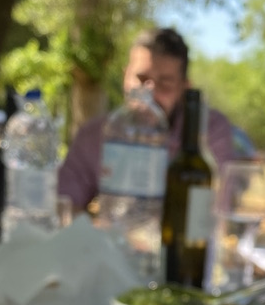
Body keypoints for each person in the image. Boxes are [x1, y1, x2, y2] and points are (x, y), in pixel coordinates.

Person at [57, 27, 239, 212]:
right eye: (141, 79)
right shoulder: (95, 134)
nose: (149, 94)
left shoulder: (207, 131)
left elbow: (218, 208)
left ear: (184, 88)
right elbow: (63, 203)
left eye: (165, 83)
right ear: (125, 76)